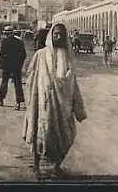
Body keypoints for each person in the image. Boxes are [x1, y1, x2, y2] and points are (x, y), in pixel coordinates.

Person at [22, 23, 87, 179]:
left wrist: (68, 93)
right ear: (51, 35)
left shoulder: (67, 55)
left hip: (62, 104)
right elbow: (30, 74)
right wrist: (38, 91)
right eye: (56, 34)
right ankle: (37, 167)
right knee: (40, 133)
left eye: (61, 35)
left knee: (66, 134)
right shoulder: (41, 54)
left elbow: (72, 80)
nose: (58, 37)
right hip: (43, 101)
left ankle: (56, 166)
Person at [0, 25, 27, 110]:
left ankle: (1, 100)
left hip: (7, 65)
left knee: (4, 82)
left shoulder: (4, 41)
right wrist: (19, 64)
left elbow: (2, 54)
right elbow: (23, 55)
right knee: (18, 84)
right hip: (16, 65)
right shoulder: (19, 41)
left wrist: (4, 62)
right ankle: (18, 103)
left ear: (6, 33)